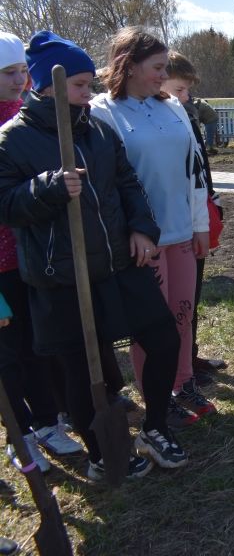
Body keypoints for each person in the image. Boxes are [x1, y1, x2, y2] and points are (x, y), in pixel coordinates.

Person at [0, 30, 188, 479]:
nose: (90, 93)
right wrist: (44, 189)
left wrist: (143, 229)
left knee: (163, 338)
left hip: (116, 265)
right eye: (81, 85)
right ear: (47, 86)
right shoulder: (12, 140)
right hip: (61, 276)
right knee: (80, 372)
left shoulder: (98, 131)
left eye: (89, 85)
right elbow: (6, 204)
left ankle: (155, 426)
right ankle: (103, 453)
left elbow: (128, 184)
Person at [89, 27, 215, 428]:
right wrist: (130, 232)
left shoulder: (173, 108)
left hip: (181, 230)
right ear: (128, 65)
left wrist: (199, 225)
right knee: (153, 323)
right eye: (157, 68)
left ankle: (184, 382)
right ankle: (157, 394)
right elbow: (106, 184)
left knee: (182, 312)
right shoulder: (101, 112)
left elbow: (194, 169)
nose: (164, 75)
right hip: (142, 239)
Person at [0, 32, 82, 475]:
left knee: (39, 344)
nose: (20, 81)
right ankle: (22, 431)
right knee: (7, 353)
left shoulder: (26, 117)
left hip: (31, 253)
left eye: (20, 72)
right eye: (9, 74)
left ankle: (50, 420)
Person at [160, 52, 227, 385]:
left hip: (195, 218)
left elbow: (200, 167)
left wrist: (210, 202)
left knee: (191, 293)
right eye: (180, 88)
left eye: (187, 90)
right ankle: (173, 367)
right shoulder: (160, 121)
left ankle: (190, 355)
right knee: (174, 301)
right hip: (170, 227)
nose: (186, 96)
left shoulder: (185, 114)